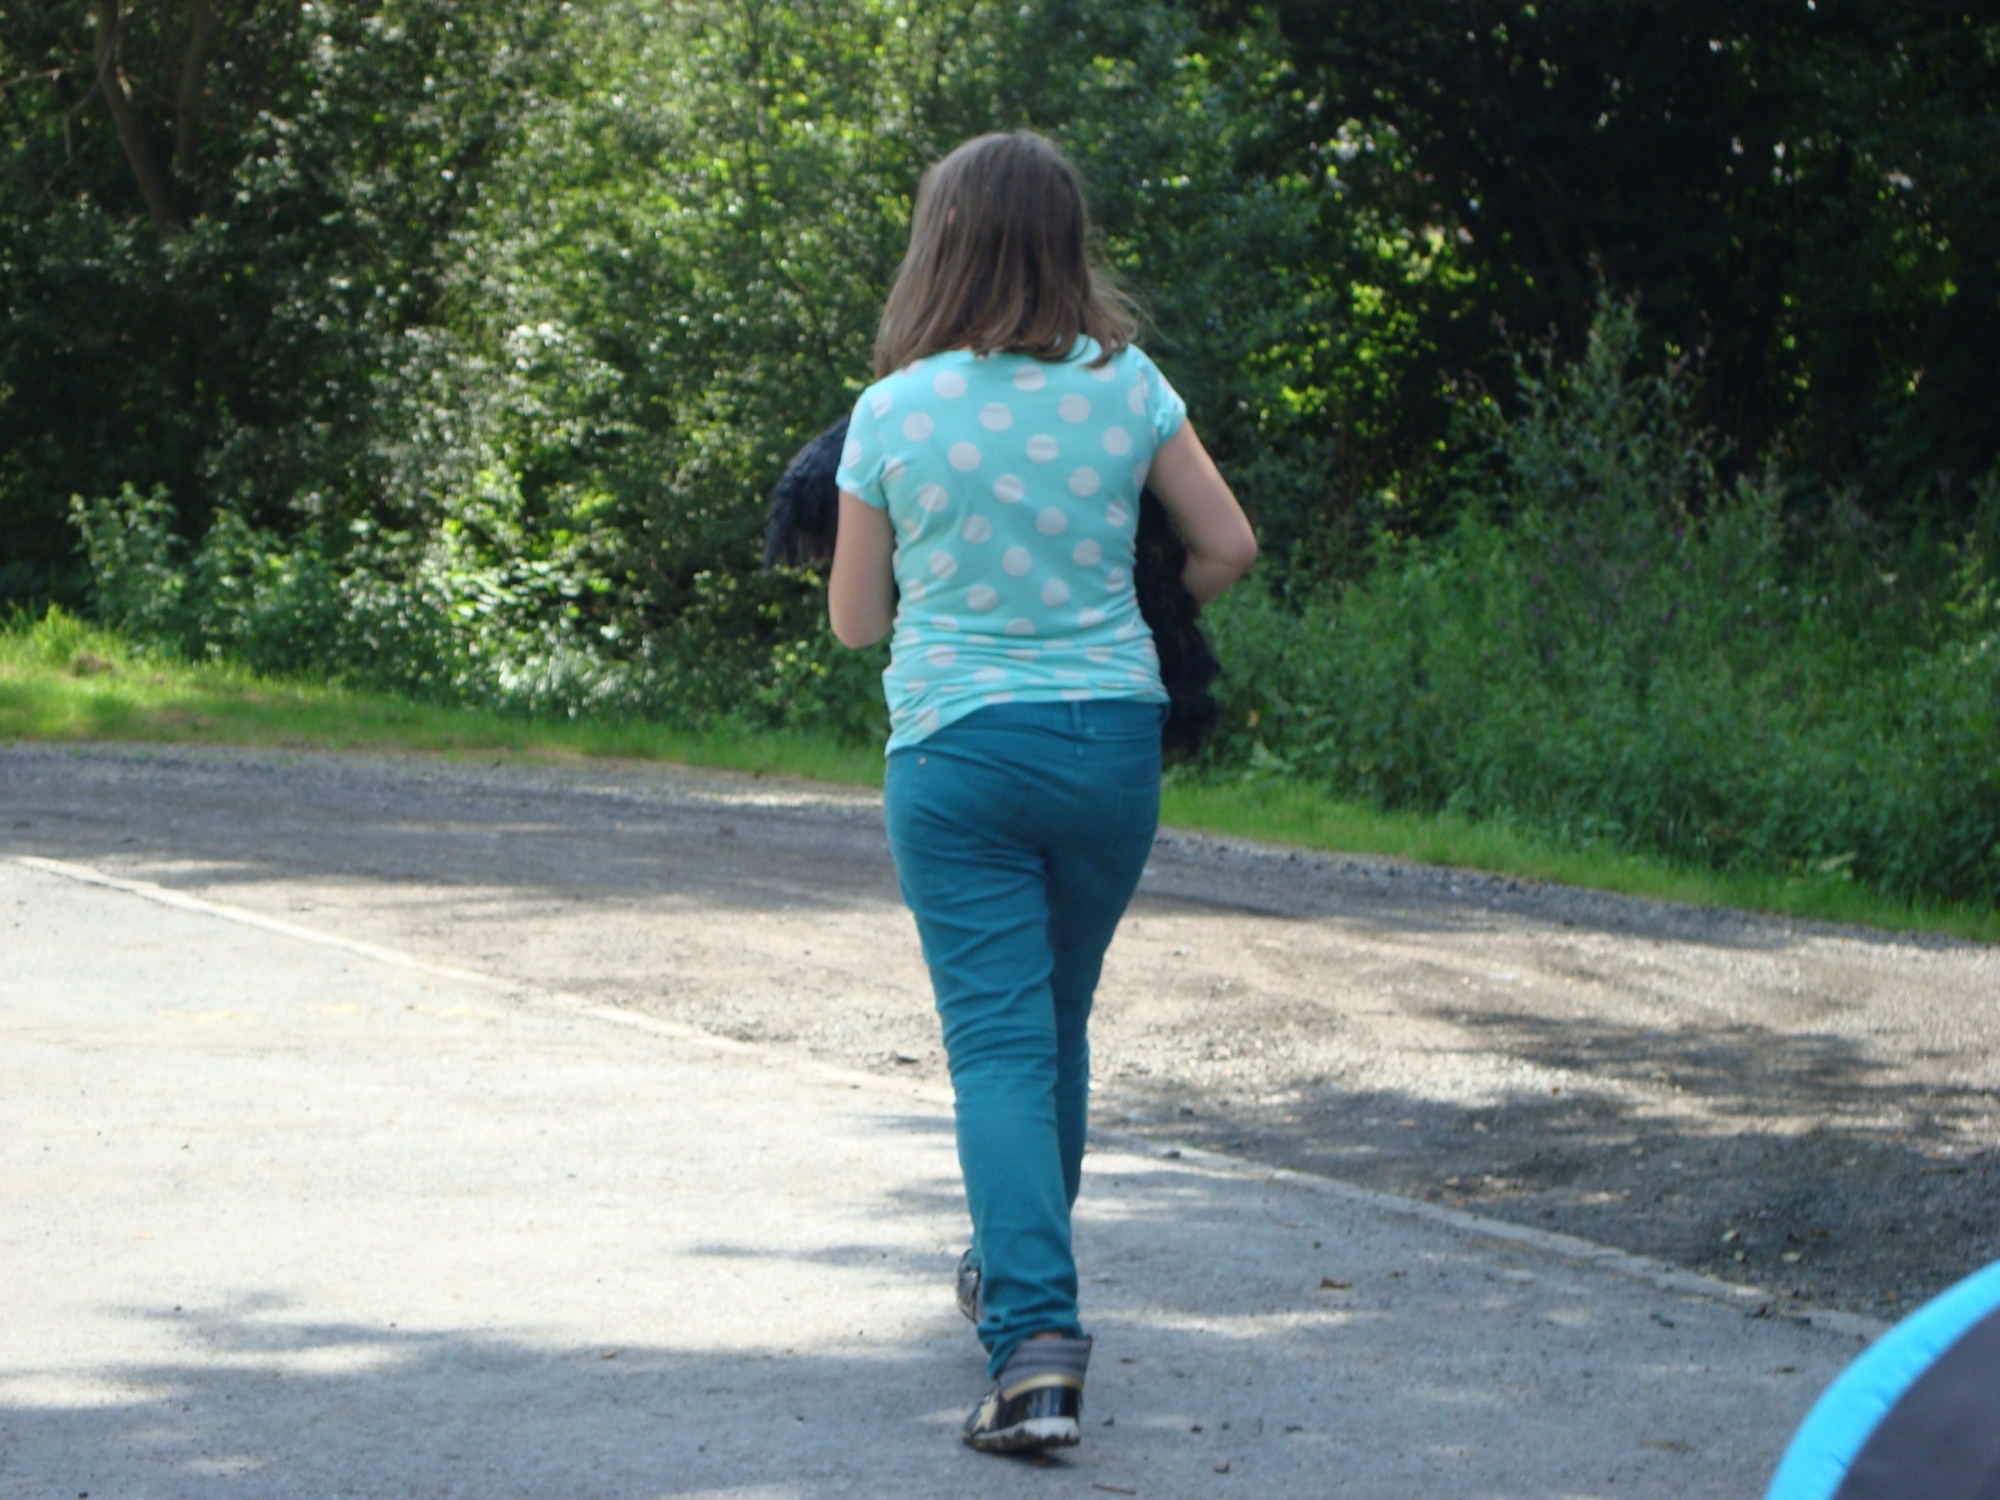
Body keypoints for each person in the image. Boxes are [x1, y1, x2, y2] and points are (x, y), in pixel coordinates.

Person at [828, 130, 1258, 1454]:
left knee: (1001, 1049)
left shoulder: (894, 411)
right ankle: (1019, 1277)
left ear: (940, 246)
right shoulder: (1128, 387)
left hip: (959, 754)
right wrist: (1137, 602)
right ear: (1069, 244)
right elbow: (1227, 544)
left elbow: (856, 621)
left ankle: (1033, 1347)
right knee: (1052, 1029)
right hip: (1109, 748)